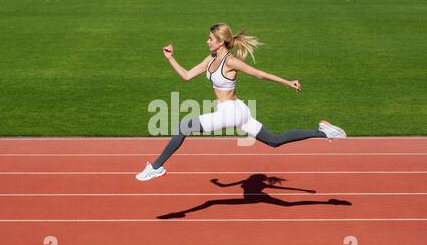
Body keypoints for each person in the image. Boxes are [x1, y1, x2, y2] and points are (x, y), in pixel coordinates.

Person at [136, 23, 346, 181]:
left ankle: (156, 167)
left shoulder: (231, 61)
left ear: (220, 42)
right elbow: (187, 76)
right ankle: (325, 131)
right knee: (275, 140)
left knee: (184, 126)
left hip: (231, 113)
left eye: (210, 39)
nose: (207, 41)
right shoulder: (209, 60)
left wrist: (287, 82)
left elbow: (260, 74)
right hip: (238, 110)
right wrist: (170, 58)